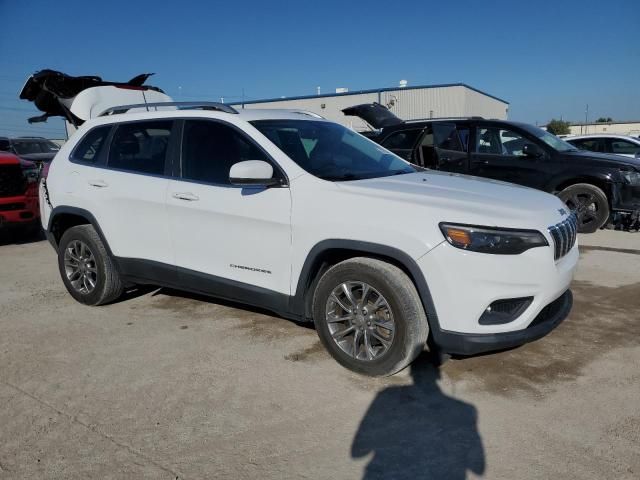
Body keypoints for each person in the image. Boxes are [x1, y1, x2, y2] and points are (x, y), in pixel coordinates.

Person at [351, 359, 485, 479]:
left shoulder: (387, 395)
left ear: (411, 374)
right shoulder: (466, 410)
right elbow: (478, 468)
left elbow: (357, 452)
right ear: (438, 376)